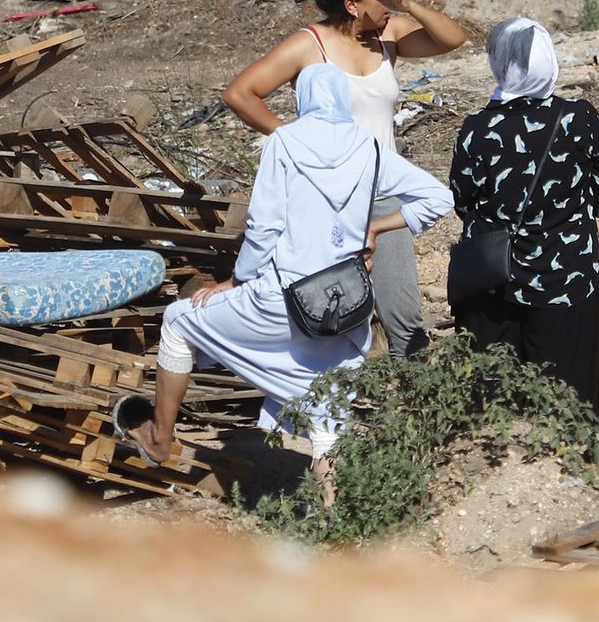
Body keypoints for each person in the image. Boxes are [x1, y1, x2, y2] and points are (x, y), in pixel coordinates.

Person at [122, 65, 453, 472]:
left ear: (304, 99)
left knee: (177, 320)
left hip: (282, 302)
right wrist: (377, 226)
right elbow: (438, 198)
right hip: (343, 310)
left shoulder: (284, 142)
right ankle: (332, 505)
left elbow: (263, 227)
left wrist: (235, 280)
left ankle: (159, 437)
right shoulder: (369, 148)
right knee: (326, 400)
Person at [222, 0, 466, 358]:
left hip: (382, 197)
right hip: (328, 200)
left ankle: (415, 403)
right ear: (352, 4)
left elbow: (452, 38)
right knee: (332, 306)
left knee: (402, 311)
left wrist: (403, 4)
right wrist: (293, 140)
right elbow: (240, 94)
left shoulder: (388, 36)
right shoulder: (308, 45)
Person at [448, 18, 599, 414]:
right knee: (567, 404)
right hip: (567, 281)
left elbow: (463, 201)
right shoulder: (578, 120)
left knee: (494, 407)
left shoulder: (477, 128)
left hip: (491, 281)